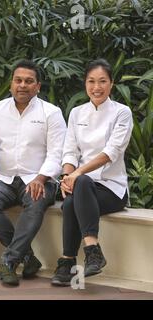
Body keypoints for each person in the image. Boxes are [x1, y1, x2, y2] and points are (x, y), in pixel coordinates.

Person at [0, 59, 67, 286]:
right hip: (2, 179)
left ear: (38, 86)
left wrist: (41, 178)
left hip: (38, 178)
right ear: (10, 84)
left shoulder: (51, 113)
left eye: (29, 81)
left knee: (35, 201)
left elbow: (58, 153)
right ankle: (28, 258)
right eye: (18, 80)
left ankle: (9, 261)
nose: (22, 85)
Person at [51, 59, 133, 286]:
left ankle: (89, 251)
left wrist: (77, 175)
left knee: (84, 182)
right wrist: (68, 177)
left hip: (111, 189)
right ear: (85, 84)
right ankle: (70, 262)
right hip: (82, 185)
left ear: (111, 84)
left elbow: (111, 152)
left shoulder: (122, 113)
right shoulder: (77, 113)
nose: (97, 87)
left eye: (102, 81)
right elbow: (69, 151)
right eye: (91, 81)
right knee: (69, 202)